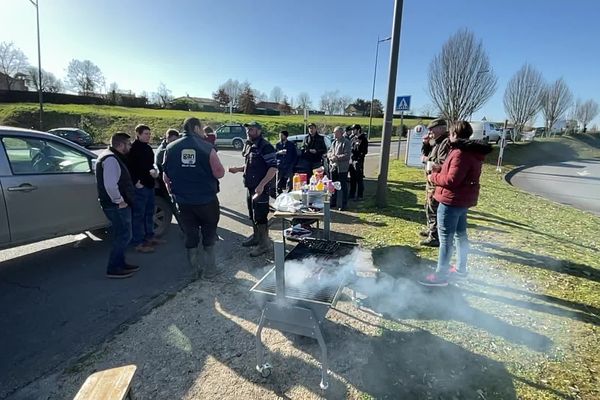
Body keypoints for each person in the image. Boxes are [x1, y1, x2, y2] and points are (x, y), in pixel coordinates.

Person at [418, 121, 492, 287]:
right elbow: (455, 172)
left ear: (454, 134)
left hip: (451, 200)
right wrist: (442, 168)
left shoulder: (460, 153)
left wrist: (433, 177)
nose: (449, 137)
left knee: (446, 239)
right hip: (462, 200)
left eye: (450, 134)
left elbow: (452, 180)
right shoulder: (471, 151)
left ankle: (441, 275)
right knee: (460, 235)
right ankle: (460, 270)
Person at [163, 117, 225, 279]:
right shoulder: (207, 147)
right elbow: (219, 172)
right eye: (201, 128)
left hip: (183, 201)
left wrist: (173, 189)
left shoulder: (170, 147)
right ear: (196, 128)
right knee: (209, 231)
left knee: (190, 233)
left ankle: (194, 270)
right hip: (206, 200)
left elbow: (166, 175)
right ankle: (210, 269)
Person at [228, 121, 277, 257]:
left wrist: (261, 185)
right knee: (252, 214)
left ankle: (265, 244)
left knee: (261, 216)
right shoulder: (249, 145)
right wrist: (237, 169)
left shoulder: (265, 146)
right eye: (248, 129)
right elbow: (251, 166)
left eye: (252, 129)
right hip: (250, 186)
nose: (249, 132)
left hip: (261, 188)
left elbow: (273, 168)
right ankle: (256, 238)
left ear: (259, 131)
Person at [95, 133, 139, 279]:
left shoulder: (111, 156)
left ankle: (121, 263)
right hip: (116, 206)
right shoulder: (111, 159)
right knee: (123, 236)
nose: (130, 146)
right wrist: (119, 201)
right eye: (128, 144)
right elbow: (110, 185)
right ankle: (114, 268)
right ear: (120, 145)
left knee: (123, 235)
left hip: (116, 205)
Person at [127, 124, 163, 253]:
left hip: (149, 184)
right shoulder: (133, 149)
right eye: (146, 134)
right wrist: (136, 182)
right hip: (140, 186)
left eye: (149, 133)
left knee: (149, 213)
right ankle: (138, 242)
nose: (148, 136)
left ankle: (149, 236)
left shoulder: (147, 148)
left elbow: (149, 165)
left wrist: (154, 173)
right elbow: (129, 168)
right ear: (138, 134)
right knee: (138, 216)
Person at [420, 118, 451, 247]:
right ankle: (430, 230)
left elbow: (443, 164)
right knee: (428, 206)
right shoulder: (437, 142)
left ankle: (434, 236)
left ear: (441, 128)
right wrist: (425, 144)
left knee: (433, 208)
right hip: (431, 182)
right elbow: (429, 156)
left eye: (432, 129)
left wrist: (426, 160)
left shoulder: (445, 143)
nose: (429, 131)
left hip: (436, 183)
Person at [327, 126, 351, 210]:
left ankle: (344, 204)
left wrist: (336, 157)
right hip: (333, 167)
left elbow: (347, 155)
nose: (334, 134)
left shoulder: (346, 142)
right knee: (333, 185)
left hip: (342, 168)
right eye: (334, 132)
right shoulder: (334, 142)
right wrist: (330, 156)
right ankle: (333, 202)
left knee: (343, 186)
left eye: (335, 132)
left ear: (340, 133)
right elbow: (329, 151)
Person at [348, 124, 368, 201]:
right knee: (352, 179)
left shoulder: (363, 139)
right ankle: (352, 194)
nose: (352, 131)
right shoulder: (353, 138)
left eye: (354, 129)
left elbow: (364, 151)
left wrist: (358, 158)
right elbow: (350, 149)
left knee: (359, 179)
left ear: (358, 130)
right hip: (352, 161)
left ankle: (360, 195)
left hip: (358, 161)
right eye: (352, 130)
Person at [275, 130, 298, 194]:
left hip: (289, 164)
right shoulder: (277, 144)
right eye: (279, 135)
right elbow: (273, 154)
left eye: (282, 135)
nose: (280, 137)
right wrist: (279, 152)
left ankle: (289, 192)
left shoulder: (291, 144)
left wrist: (293, 164)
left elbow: (295, 155)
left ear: (285, 136)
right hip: (280, 164)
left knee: (289, 179)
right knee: (278, 179)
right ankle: (278, 193)